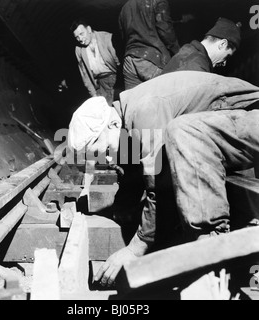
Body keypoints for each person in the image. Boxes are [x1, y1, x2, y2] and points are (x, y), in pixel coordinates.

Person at [67, 70, 259, 286]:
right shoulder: (127, 116)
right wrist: (122, 207)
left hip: (251, 120)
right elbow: (135, 170)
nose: (105, 159)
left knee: (182, 131)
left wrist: (137, 246)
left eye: (101, 151)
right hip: (232, 128)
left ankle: (211, 246)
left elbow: (160, 187)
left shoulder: (145, 111)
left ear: (111, 125)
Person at [165, 105, 259, 241]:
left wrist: (143, 239)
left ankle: (211, 241)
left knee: (184, 130)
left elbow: (150, 178)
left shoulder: (141, 114)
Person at [119, 0, 180, 90]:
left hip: (129, 60)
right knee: (165, 97)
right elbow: (165, 30)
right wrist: (178, 53)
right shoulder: (158, 1)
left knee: (133, 101)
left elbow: (123, 36)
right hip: (153, 59)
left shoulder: (124, 8)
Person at [163, 17, 242, 74]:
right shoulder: (197, 65)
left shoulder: (187, 53)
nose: (224, 63)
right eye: (227, 56)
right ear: (222, 44)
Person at [70, 19, 120, 106]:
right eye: (77, 37)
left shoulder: (106, 37)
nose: (80, 39)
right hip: (100, 85)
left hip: (116, 79)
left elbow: (118, 62)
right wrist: (93, 94)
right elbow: (84, 75)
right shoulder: (78, 49)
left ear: (89, 29)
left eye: (82, 34)